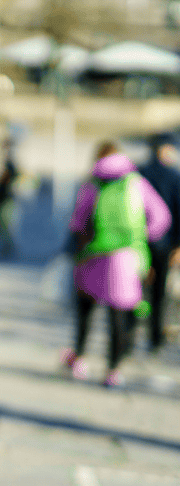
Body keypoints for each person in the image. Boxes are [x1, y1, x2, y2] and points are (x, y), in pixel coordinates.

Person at [61, 142, 170, 387]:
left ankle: (79, 359)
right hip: (127, 258)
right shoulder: (135, 183)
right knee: (118, 316)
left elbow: (77, 221)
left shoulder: (93, 184)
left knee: (86, 311)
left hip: (93, 255)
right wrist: (140, 237)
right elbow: (161, 217)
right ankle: (113, 369)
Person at [137, 132, 180, 352]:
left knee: (138, 288)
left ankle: (131, 331)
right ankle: (155, 338)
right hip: (164, 244)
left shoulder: (140, 172)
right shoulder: (174, 176)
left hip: (139, 241)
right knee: (159, 293)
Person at [0, 137, 19, 258]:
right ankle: (5, 247)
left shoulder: (10, 166)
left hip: (5, 200)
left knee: (5, 226)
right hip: (1, 199)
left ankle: (7, 248)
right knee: (0, 225)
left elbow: (9, 179)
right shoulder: (4, 165)